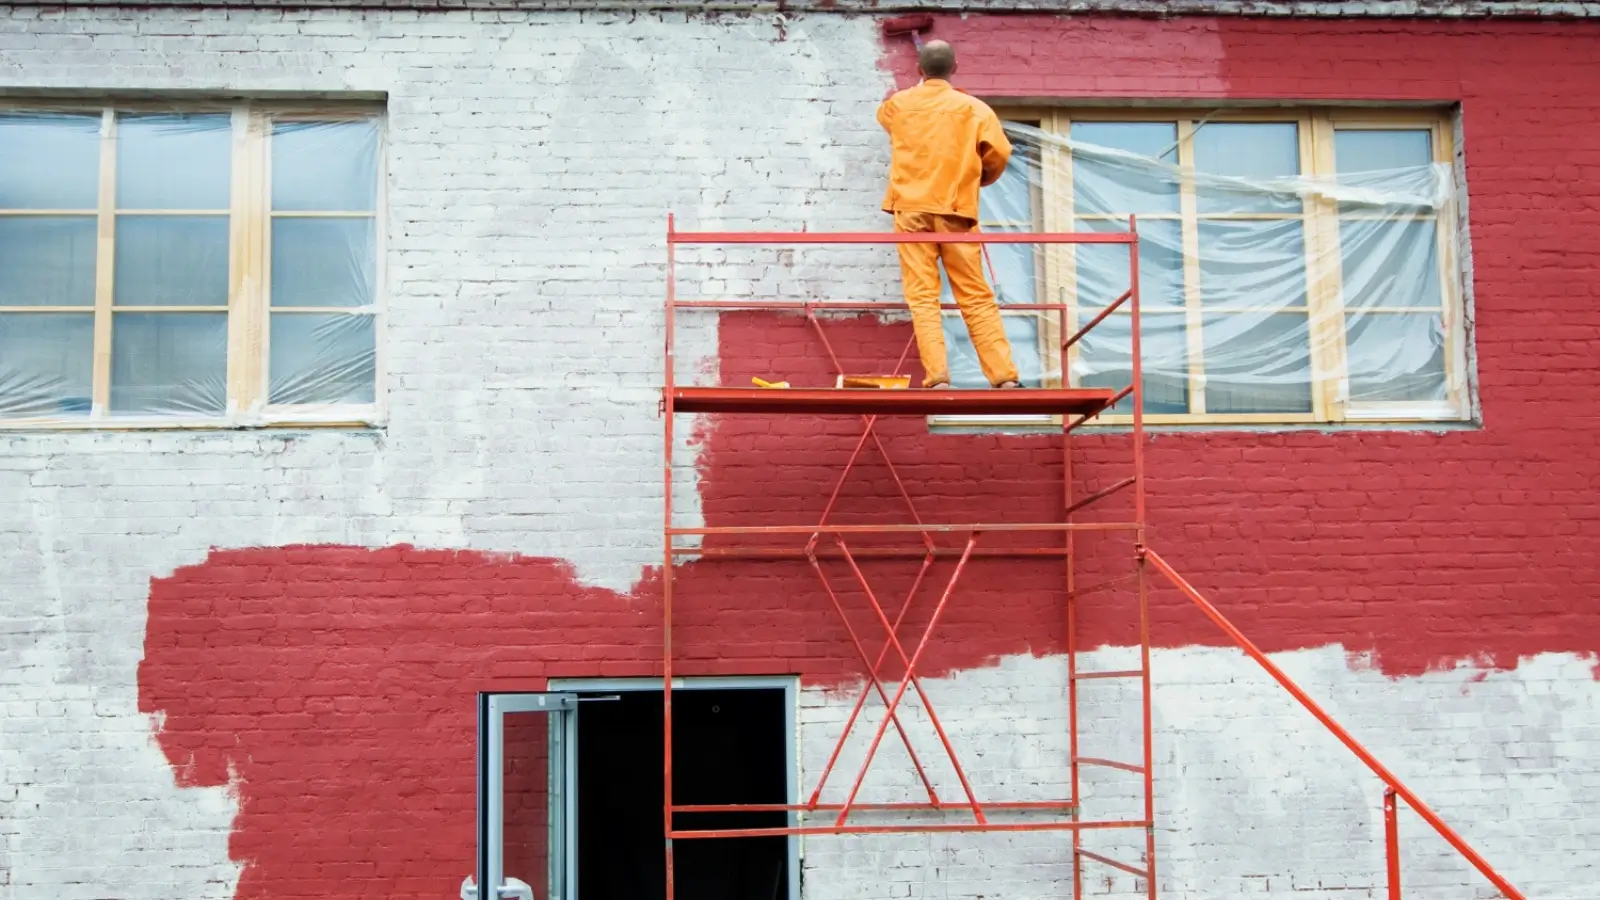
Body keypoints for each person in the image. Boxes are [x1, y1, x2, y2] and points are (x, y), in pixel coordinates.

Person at [876, 39, 1020, 390]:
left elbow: (886, 117)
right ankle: (1002, 376)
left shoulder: (899, 105)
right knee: (974, 294)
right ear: (954, 69)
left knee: (923, 296)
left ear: (919, 70)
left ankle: (938, 376)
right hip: (956, 210)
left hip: (911, 212)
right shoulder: (974, 109)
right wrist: (979, 178)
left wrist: (917, 90)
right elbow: (999, 152)